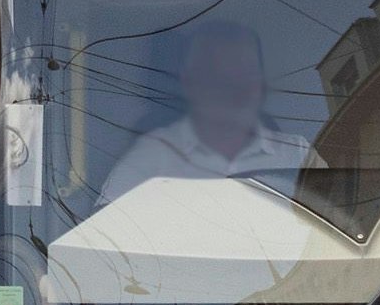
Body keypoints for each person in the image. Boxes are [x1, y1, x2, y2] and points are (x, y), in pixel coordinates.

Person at [98, 22, 313, 202]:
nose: (230, 84)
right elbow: (101, 240)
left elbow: (336, 229)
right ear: (189, 82)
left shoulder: (298, 154)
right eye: (215, 73)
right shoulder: (151, 157)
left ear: (259, 82)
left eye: (242, 70)